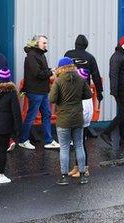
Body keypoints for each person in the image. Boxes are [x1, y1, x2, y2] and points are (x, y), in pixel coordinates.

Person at [50, 58, 92, 186]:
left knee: (64, 147)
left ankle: (64, 176)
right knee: (79, 145)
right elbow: (88, 94)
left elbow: (52, 98)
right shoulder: (80, 79)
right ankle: (83, 175)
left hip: (63, 119)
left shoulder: (58, 81)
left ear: (60, 67)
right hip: (78, 118)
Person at [18, 35, 60, 150]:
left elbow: (42, 71)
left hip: (42, 91)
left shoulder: (41, 55)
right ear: (36, 43)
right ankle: (23, 140)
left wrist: (50, 70)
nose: (46, 45)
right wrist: (50, 72)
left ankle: (48, 140)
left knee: (47, 115)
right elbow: (38, 73)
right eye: (44, 43)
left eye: (46, 43)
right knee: (31, 116)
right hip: (35, 91)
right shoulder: (31, 56)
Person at [68, 68, 93, 178]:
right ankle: (77, 166)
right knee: (78, 144)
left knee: (80, 144)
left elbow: (86, 109)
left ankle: (84, 168)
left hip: (81, 120)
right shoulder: (81, 88)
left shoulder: (83, 90)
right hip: (80, 119)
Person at [64, 34, 104, 104]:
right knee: (84, 113)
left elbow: (62, 71)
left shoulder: (68, 54)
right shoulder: (90, 57)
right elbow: (96, 76)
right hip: (84, 91)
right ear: (86, 45)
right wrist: (99, 92)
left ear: (76, 44)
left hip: (69, 91)